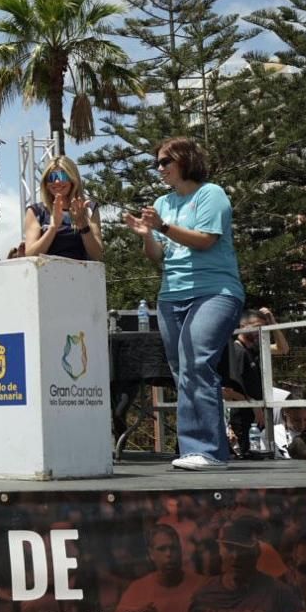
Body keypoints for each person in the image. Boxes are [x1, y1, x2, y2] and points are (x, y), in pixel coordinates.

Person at [124, 137, 244, 470]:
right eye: (157, 163)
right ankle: (210, 451)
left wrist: (161, 225)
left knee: (195, 362)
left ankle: (203, 449)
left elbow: (206, 241)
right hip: (171, 295)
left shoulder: (211, 194)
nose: (159, 168)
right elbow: (157, 256)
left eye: (165, 161)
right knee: (183, 371)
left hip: (215, 292)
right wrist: (147, 234)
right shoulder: (162, 203)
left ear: (185, 160)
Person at [219, 306, 291, 459]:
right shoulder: (236, 351)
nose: (261, 331)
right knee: (241, 457)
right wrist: (252, 405)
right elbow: (227, 390)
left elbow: (283, 349)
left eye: (264, 328)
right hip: (239, 417)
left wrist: (272, 322)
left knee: (254, 455)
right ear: (243, 327)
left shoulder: (255, 349)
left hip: (253, 419)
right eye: (258, 327)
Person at [22, 154, 103, 260]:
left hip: (82, 274)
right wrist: (53, 227)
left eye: (62, 176)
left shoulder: (88, 209)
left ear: (72, 179)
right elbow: (31, 255)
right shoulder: (36, 212)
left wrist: (83, 225)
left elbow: (98, 255)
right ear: (46, 183)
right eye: (51, 177)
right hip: (47, 274)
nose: (57, 182)